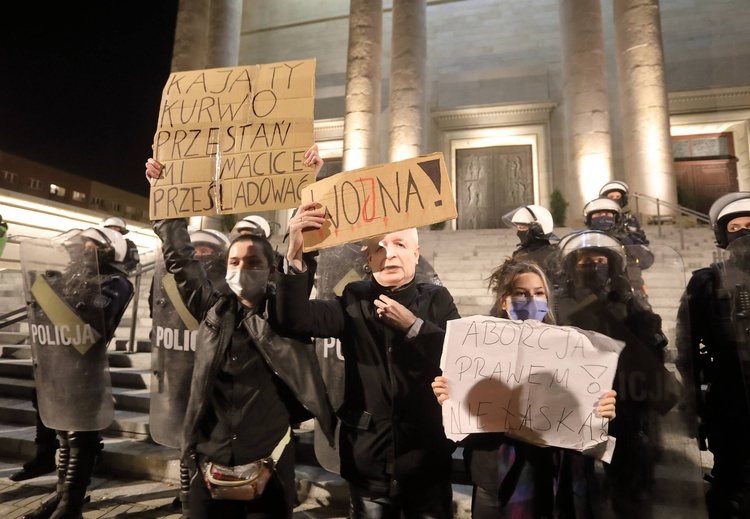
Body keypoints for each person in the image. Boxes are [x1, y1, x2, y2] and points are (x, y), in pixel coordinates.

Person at [146, 146, 337, 519]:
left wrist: (308, 184)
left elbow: (302, 263)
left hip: (270, 463)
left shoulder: (285, 314)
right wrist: (164, 193)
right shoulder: (212, 308)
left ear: (270, 270)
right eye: (234, 262)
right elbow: (181, 260)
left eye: (252, 262)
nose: (241, 269)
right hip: (209, 464)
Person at [275, 203, 460, 518]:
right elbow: (295, 319)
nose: (389, 254)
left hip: (426, 462)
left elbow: (460, 358)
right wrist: (297, 255)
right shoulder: (353, 298)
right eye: (379, 248)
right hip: (368, 464)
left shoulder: (437, 300)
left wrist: (413, 327)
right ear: (368, 259)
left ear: (416, 253)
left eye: (399, 244)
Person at [432, 258, 617, 518]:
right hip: (494, 477)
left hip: (548, 479)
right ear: (504, 301)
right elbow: (467, 428)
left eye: (539, 293)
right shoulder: (476, 349)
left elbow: (582, 425)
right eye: (521, 294)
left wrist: (603, 412)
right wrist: (452, 400)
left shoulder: (573, 351)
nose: (532, 300)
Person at [552, 230, 673, 518]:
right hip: (572, 409)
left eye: (600, 259)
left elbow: (651, 354)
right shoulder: (556, 304)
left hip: (623, 404)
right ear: (571, 267)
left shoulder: (631, 303)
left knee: (628, 488)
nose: (593, 266)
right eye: (584, 262)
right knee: (577, 489)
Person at [21, 226, 134, 519]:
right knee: (64, 435)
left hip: (85, 370)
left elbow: (92, 326)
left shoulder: (116, 281)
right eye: (81, 243)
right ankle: (61, 496)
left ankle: (70, 506)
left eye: (89, 245)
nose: (81, 249)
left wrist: (55, 296)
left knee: (81, 439)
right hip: (57, 365)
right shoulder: (71, 278)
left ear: (108, 250)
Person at [676, 191, 750, 518]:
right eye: (737, 227)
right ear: (722, 234)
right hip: (731, 394)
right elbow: (686, 345)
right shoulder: (706, 283)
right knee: (732, 479)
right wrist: (694, 396)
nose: (745, 233)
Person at [582, 197, 654, 300]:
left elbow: (647, 260)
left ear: (615, 218)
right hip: (592, 292)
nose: (603, 217)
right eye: (598, 215)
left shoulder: (627, 237)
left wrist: (627, 242)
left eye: (607, 214)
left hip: (630, 292)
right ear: (589, 219)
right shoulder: (583, 241)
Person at [502, 204, 558, 276]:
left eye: (522, 227)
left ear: (537, 230)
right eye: (518, 227)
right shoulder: (519, 254)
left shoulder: (553, 255)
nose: (519, 232)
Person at [598, 180, 648, 244]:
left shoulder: (630, 219)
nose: (615, 199)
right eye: (611, 197)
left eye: (618, 197)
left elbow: (642, 240)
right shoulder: (599, 218)